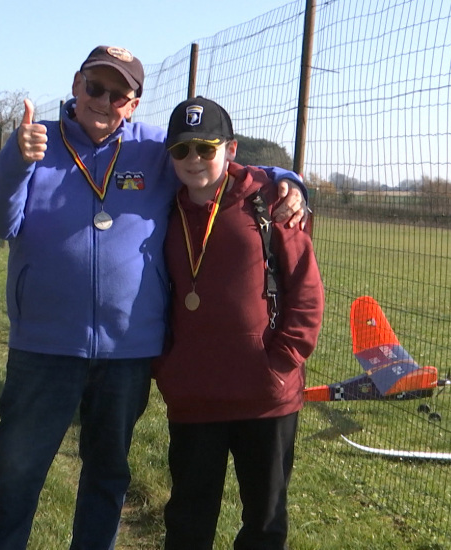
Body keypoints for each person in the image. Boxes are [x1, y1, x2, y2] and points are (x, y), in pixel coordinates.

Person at [0, 46, 307, 550]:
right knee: (15, 476)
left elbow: (222, 166)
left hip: (127, 354)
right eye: (95, 87)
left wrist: (288, 180)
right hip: (44, 348)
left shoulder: (157, 149)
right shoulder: (35, 142)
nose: (103, 101)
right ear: (76, 83)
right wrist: (16, 160)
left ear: (134, 102)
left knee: (107, 479)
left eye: (118, 93)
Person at [153, 97, 324, 550]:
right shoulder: (161, 210)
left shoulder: (271, 204)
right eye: (181, 150)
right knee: (188, 521)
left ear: (229, 149)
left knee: (265, 524)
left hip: (266, 397)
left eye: (205, 148)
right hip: (194, 396)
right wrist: (168, 367)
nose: (193, 160)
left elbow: (306, 290)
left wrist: (282, 360)